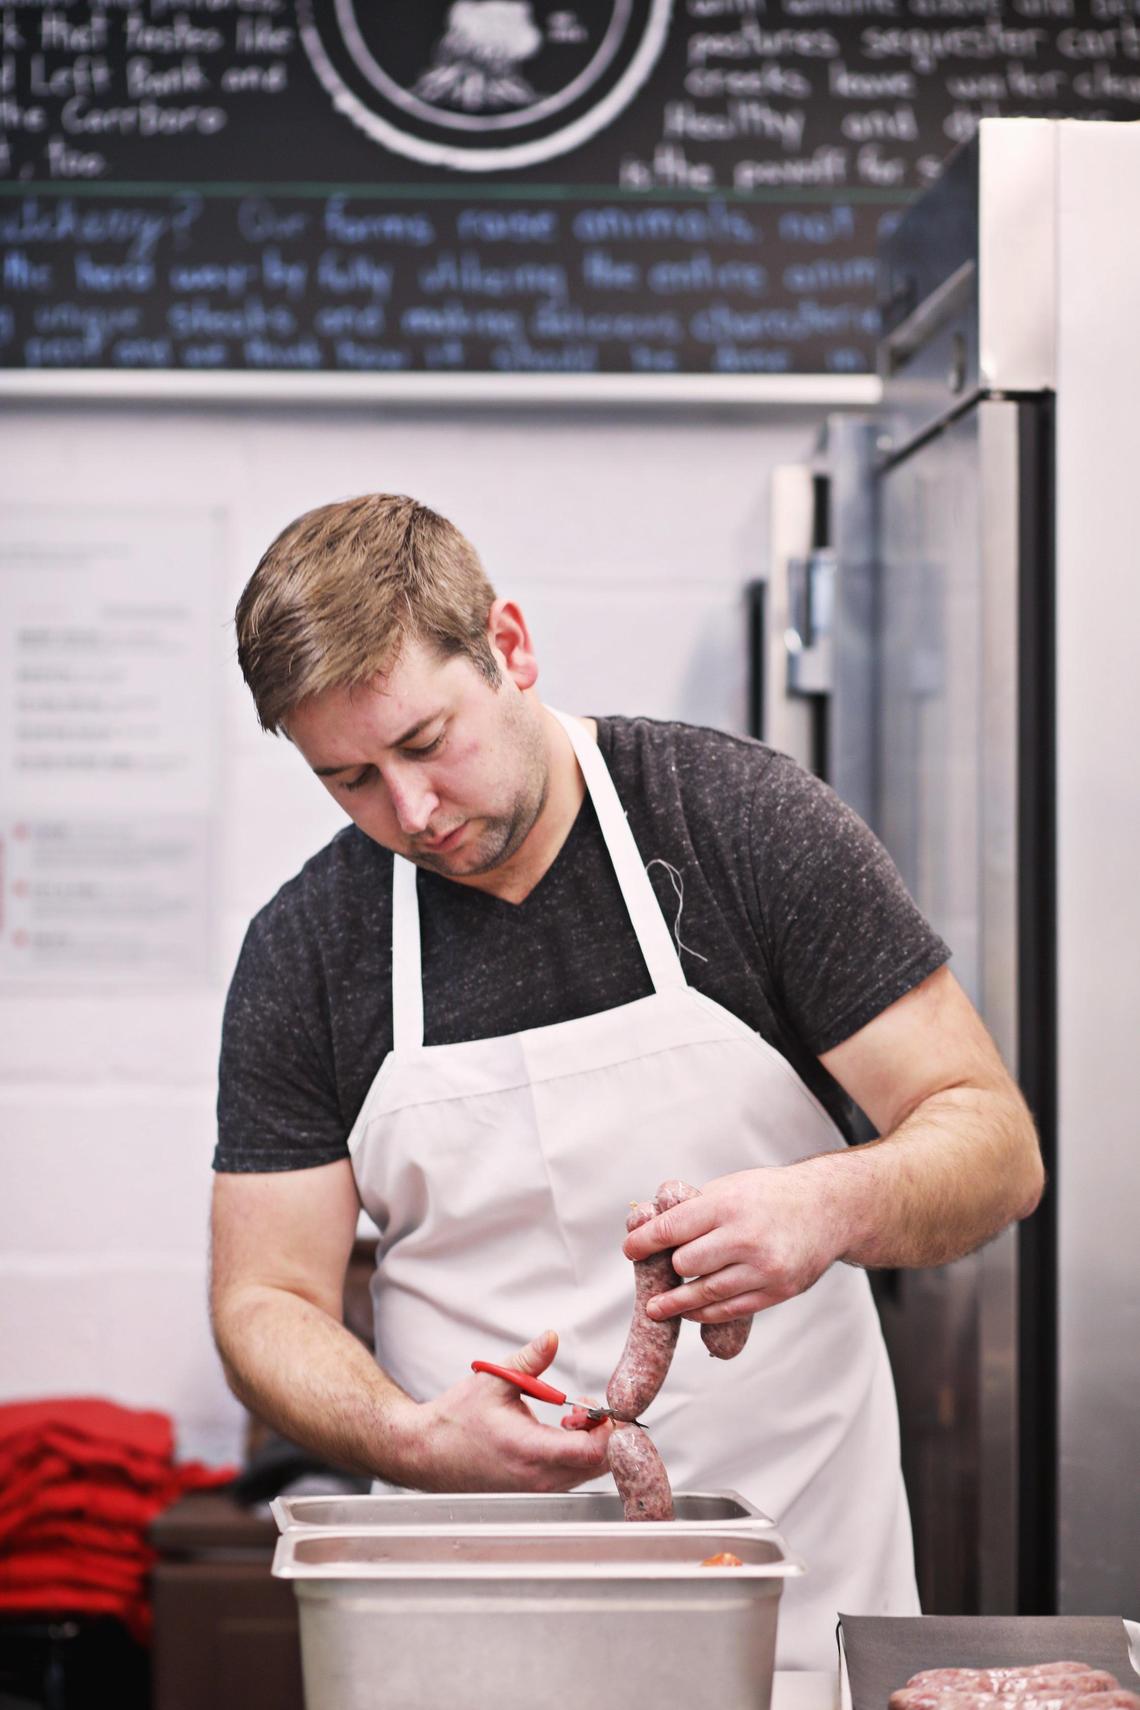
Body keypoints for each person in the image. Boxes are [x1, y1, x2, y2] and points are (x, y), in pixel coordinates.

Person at [209, 493, 1043, 1668]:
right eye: (349, 780)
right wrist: (407, 1437)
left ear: (510, 646)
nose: (411, 813)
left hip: (788, 1598)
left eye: (424, 742)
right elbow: (264, 1301)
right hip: (470, 1610)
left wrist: (826, 1205)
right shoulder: (308, 947)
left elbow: (994, 1144)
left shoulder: (740, 826)